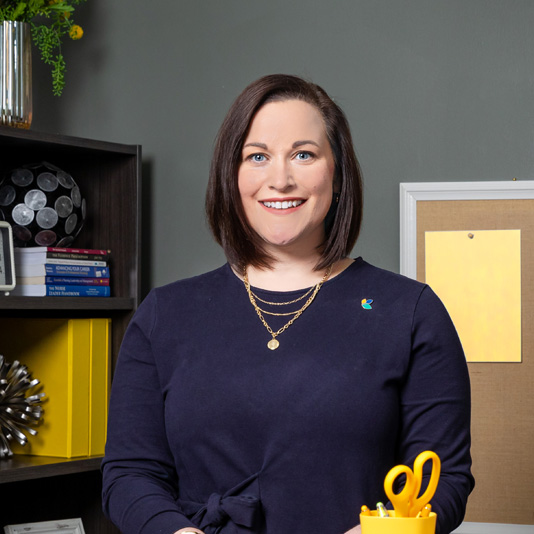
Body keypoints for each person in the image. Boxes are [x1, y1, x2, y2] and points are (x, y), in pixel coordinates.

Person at [102, 74, 474, 534]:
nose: (280, 180)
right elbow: (129, 476)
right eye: (257, 157)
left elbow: (445, 479)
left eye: (304, 154)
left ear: (336, 175)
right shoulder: (163, 315)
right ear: (231, 176)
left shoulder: (411, 311)